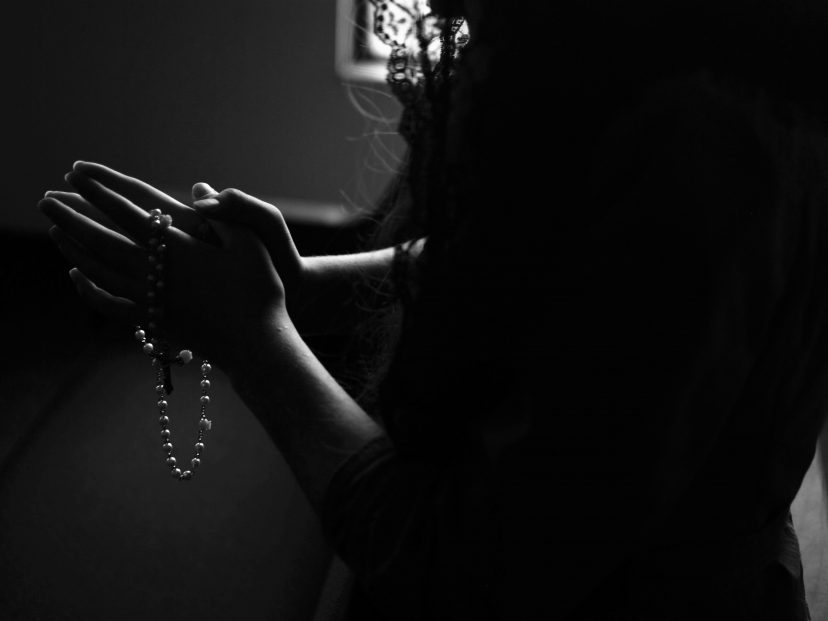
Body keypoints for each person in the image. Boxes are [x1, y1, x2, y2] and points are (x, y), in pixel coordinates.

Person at [38, 1, 828, 619]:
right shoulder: (644, 56)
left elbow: (474, 578)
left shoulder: (710, 151)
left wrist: (255, 339)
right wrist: (303, 283)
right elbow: (558, 267)